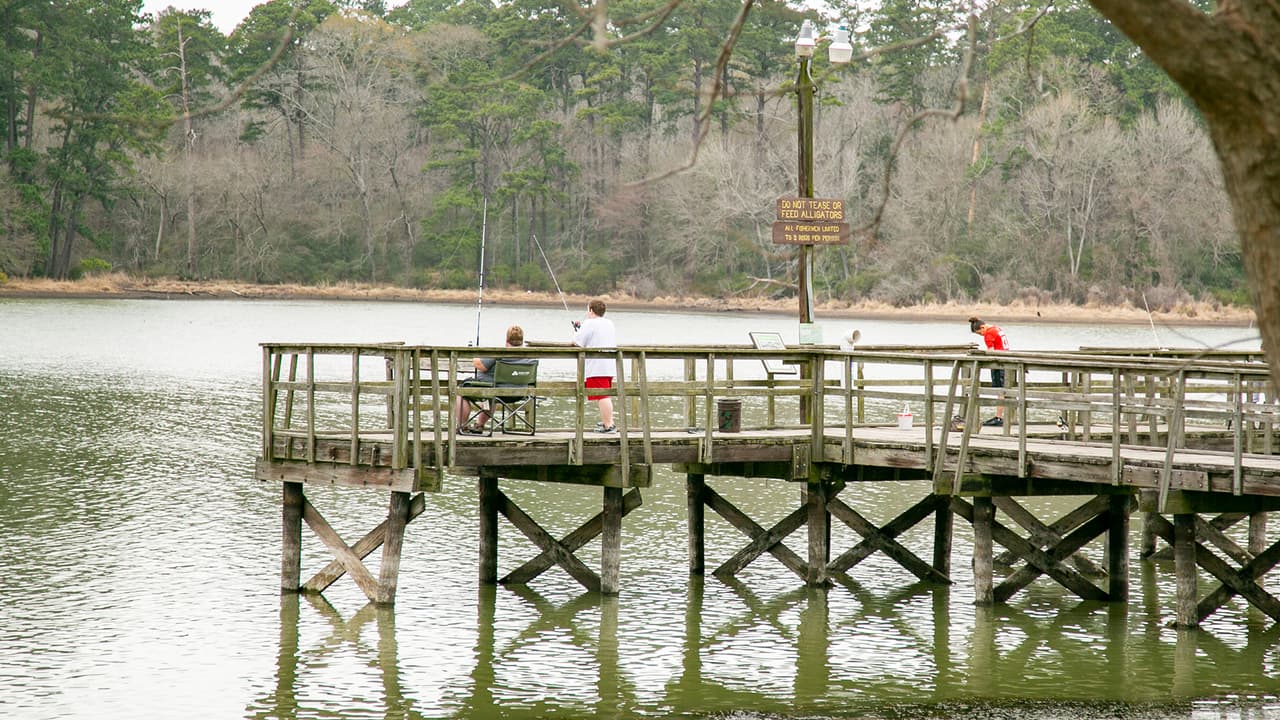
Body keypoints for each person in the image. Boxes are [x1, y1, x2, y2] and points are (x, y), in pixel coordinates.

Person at [456, 325, 524, 435]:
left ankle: (462, 426)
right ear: (522, 340)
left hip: (496, 391)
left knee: (461, 391)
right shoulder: (530, 356)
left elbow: (481, 365)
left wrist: (475, 356)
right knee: (491, 394)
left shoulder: (501, 353)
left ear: (507, 339)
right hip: (520, 393)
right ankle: (479, 425)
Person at [572, 298, 618, 433]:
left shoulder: (590, 323)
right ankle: (607, 422)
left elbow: (577, 342)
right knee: (603, 395)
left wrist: (576, 331)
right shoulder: (609, 323)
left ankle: (609, 425)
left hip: (597, 366)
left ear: (591, 310)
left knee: (602, 396)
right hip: (608, 365)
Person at [969, 316, 1010, 426]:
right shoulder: (997, 328)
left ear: (982, 328)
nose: (981, 335)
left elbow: (991, 352)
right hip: (1006, 360)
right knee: (1004, 390)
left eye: (979, 333)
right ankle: (1000, 416)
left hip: (999, 363)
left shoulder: (988, 334)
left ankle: (999, 418)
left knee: (1000, 390)